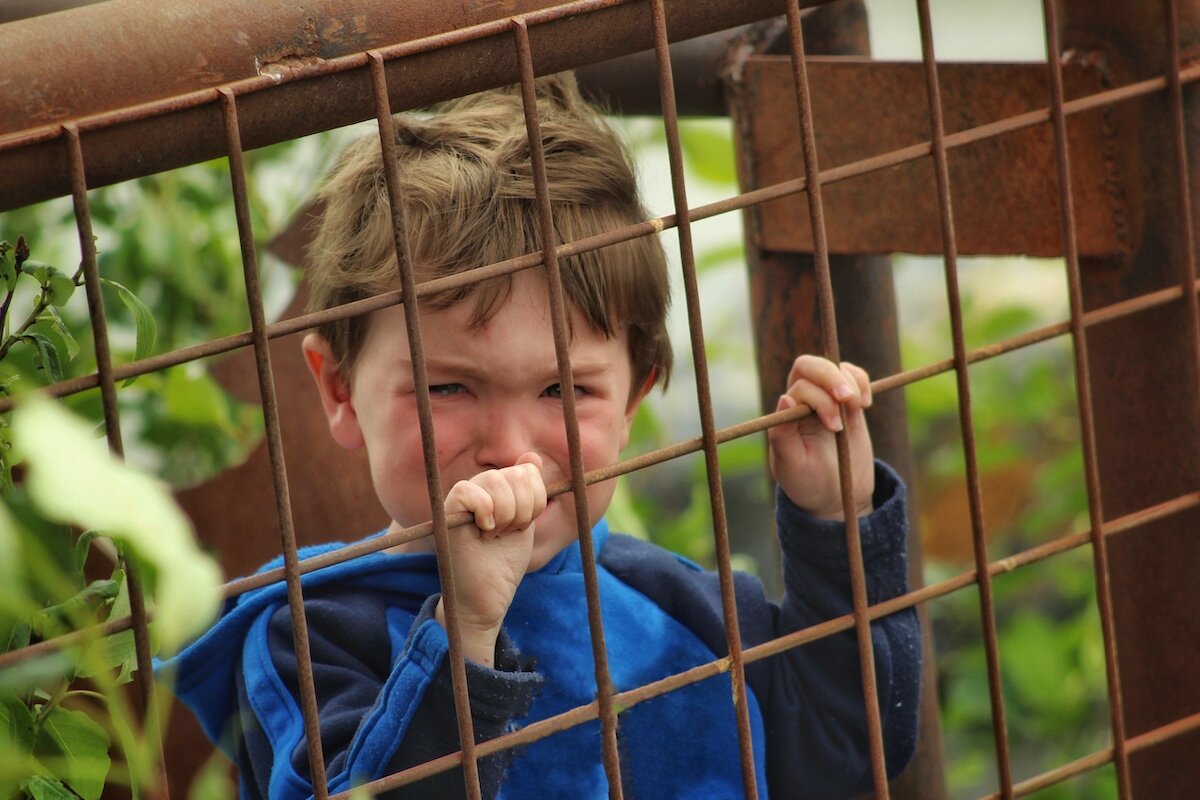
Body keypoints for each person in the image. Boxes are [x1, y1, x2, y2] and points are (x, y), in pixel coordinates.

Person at [159, 73, 920, 799]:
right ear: (339, 390)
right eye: (449, 386)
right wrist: (466, 636)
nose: (510, 446)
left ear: (634, 398)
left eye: (567, 390)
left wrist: (835, 526)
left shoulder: (678, 607)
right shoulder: (307, 638)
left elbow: (848, 751)